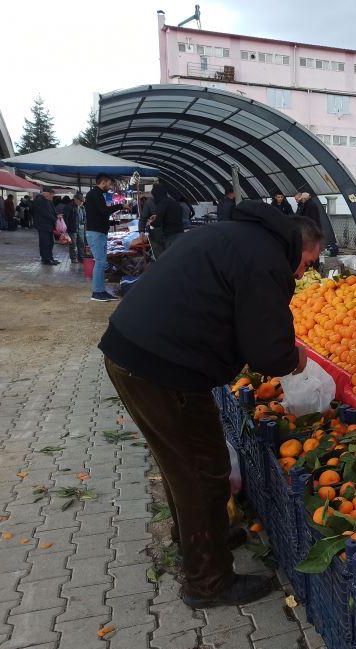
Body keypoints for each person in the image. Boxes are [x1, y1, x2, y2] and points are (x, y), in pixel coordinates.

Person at [98, 200, 324, 608]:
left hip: (135, 351)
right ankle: (208, 582)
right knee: (201, 471)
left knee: (184, 464)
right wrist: (295, 359)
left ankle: (204, 538)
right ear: (298, 246)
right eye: (307, 263)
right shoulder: (266, 260)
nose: (303, 273)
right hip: (161, 368)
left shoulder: (235, 236)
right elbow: (266, 350)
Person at [86, 173, 126, 301]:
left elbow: (99, 215)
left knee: (101, 263)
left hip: (99, 232)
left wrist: (113, 223)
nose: (110, 186)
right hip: (96, 233)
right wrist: (120, 206)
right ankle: (97, 293)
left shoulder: (97, 194)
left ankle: (101, 291)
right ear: (103, 182)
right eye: (109, 183)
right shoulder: (95, 194)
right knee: (100, 262)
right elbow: (104, 211)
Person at [147, 183, 184, 259]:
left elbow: (157, 223)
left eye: (153, 195)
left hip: (170, 235)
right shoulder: (173, 202)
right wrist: (157, 216)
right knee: (178, 256)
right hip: (180, 232)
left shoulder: (163, 203)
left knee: (170, 257)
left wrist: (150, 223)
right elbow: (170, 215)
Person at [33, 187, 59, 265]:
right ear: (46, 193)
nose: (52, 197)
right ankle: (46, 259)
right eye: (51, 195)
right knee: (45, 243)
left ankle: (50, 257)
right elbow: (46, 214)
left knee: (50, 242)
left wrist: (57, 216)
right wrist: (56, 220)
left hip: (48, 225)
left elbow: (52, 212)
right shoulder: (40, 201)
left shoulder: (47, 200)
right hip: (43, 226)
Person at [66, 193, 86, 263]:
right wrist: (66, 229)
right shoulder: (69, 207)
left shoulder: (82, 207)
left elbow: (85, 216)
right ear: (75, 200)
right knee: (73, 244)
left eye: (82, 201)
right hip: (72, 228)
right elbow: (66, 218)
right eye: (80, 201)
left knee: (81, 243)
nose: (82, 203)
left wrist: (83, 222)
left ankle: (81, 257)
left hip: (81, 228)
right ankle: (73, 258)